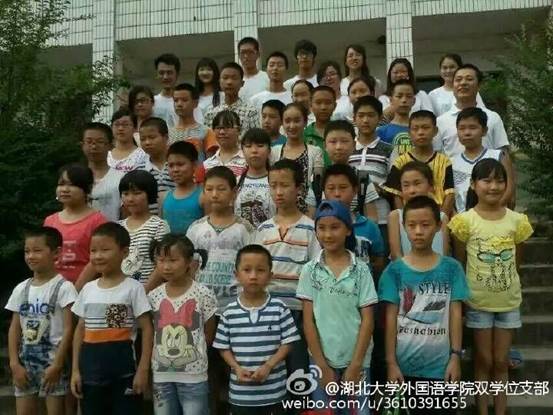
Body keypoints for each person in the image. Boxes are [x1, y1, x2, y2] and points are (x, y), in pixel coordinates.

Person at [449, 158, 533, 415]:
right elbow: (461, 262)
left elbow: (517, 261)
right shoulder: (464, 221)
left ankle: (500, 410)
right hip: (478, 302)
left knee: (501, 360)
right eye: (486, 180)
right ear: (473, 185)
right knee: (483, 360)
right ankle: (482, 410)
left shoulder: (517, 221)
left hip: (508, 301)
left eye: (500, 181)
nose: (493, 186)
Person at [379, 196, 469, 415]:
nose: (418, 231)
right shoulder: (394, 272)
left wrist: (455, 356)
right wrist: (391, 363)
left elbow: (455, 314)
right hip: (403, 370)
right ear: (404, 227)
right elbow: (390, 320)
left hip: (441, 369)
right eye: (412, 225)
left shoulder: (452, 269)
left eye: (425, 224)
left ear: (438, 226)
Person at [297, 200, 378, 413]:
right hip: (321, 360)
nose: (328, 234)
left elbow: (368, 320)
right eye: (322, 228)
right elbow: (308, 321)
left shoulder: (361, 270)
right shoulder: (309, 270)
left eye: (335, 227)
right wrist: (322, 365)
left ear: (348, 230)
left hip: (358, 360)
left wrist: (356, 364)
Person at [70, 222, 153, 414]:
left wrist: (143, 369)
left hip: (125, 375)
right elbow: (80, 329)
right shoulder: (88, 289)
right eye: (93, 251)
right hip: (90, 375)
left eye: (105, 250)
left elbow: (147, 328)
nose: (98, 256)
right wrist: (75, 370)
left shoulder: (133, 288)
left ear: (124, 252)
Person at [213, 245, 300, 414]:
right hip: (241, 395)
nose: (253, 276)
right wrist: (236, 368)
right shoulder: (229, 311)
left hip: (274, 393)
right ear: (236, 275)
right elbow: (223, 347)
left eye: (260, 270)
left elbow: (288, 342)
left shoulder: (279, 307)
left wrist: (269, 365)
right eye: (247, 270)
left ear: (270, 275)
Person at [7, 227, 77, 415]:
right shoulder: (21, 289)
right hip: (25, 364)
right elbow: (14, 328)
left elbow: (69, 329)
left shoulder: (64, 288)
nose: (31, 256)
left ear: (56, 253)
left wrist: (58, 364)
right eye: (27, 251)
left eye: (37, 250)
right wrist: (14, 364)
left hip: (53, 365)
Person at [148, 234, 217, 415]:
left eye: (173, 260)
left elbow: (209, 333)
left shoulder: (203, 293)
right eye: (161, 260)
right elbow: (152, 331)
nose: (166, 266)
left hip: (194, 376)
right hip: (161, 375)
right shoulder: (154, 296)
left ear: (188, 261)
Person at [186, 166, 255, 314]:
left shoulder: (245, 229)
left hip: (236, 305)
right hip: (202, 306)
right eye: (209, 189)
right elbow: (191, 266)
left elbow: (251, 266)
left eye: (221, 189)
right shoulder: (195, 228)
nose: (215, 194)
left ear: (234, 192)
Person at [383, 110, 455, 217]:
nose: (420, 132)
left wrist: (441, 217)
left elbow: (450, 194)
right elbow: (396, 194)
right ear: (409, 133)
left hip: (438, 213)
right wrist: (404, 218)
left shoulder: (444, 161)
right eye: (415, 129)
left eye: (425, 128)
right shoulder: (400, 162)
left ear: (435, 131)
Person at [44, 164, 107, 285]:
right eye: (61, 184)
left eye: (72, 185)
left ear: (87, 189)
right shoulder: (50, 221)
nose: (65, 189)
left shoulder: (98, 222)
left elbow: (97, 259)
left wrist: (76, 290)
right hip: (51, 288)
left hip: (84, 289)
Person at [306, 120, 379, 222]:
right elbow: (309, 219)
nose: (338, 147)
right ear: (324, 145)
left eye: (344, 141)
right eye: (333, 142)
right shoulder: (317, 179)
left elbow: (372, 219)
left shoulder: (362, 178)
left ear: (354, 145)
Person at [320, 164, 386, 274]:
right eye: (331, 188)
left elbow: (378, 262)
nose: (337, 194)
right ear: (324, 191)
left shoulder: (369, 227)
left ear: (355, 190)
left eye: (343, 188)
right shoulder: (319, 228)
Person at [434, 63, 509, 157]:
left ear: (479, 86)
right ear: (453, 86)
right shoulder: (440, 121)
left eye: (469, 79)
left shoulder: (493, 117)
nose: (463, 83)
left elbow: (503, 152)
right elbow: (436, 155)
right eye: (458, 80)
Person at [452, 107, 514, 213]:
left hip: (494, 216)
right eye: (462, 128)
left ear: (484, 131)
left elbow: (509, 188)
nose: (467, 132)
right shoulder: (451, 162)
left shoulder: (499, 156)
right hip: (462, 220)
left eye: (472, 127)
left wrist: (488, 213)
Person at [388, 162, 450, 260]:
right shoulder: (395, 216)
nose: (412, 190)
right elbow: (396, 255)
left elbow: (444, 253)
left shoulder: (442, 217)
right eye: (406, 185)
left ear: (431, 186)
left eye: (417, 184)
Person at [117, 170, 170, 286]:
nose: (130, 199)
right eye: (126, 194)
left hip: (149, 291)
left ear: (149, 194)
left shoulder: (159, 226)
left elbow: (161, 263)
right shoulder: (118, 227)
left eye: (137, 193)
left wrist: (143, 292)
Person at [350, 96, 393, 236]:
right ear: (354, 118)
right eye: (361, 116)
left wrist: (378, 189)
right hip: (350, 218)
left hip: (381, 217)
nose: (365, 120)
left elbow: (395, 186)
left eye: (371, 115)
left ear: (380, 118)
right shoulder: (347, 147)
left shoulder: (389, 149)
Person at [271, 103, 324, 213]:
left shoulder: (315, 152)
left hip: (308, 211)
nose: (292, 126)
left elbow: (317, 186)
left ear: (305, 122)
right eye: (287, 121)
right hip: (280, 210)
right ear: (282, 123)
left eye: (297, 121)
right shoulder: (274, 152)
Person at [81, 122, 124, 222]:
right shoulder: (75, 177)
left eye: (100, 142)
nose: (94, 146)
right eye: (89, 141)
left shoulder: (120, 178)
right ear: (82, 145)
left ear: (110, 145)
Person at [204, 62, 260, 136]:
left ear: (242, 83)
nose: (229, 82)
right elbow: (207, 140)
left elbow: (256, 139)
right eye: (225, 78)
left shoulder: (250, 112)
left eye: (234, 78)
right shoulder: (210, 112)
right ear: (219, 82)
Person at [235, 128, 276, 228]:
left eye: (260, 146)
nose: (254, 151)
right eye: (248, 146)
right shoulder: (235, 182)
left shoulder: (277, 182)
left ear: (269, 150)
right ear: (242, 150)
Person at [169, 83, 218, 163]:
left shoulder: (206, 132)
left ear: (195, 103)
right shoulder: (168, 133)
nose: (179, 104)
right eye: (176, 100)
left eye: (184, 100)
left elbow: (211, 163)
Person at [162, 141, 204, 235]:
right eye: (171, 165)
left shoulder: (203, 196)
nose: (175, 170)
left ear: (194, 165)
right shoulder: (164, 197)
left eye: (180, 164)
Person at [153, 53, 203, 127]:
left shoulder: (190, 102)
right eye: (161, 73)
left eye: (169, 73)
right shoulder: (152, 102)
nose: (165, 77)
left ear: (177, 74)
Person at [137, 117, 175, 210]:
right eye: (143, 139)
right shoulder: (139, 170)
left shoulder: (178, 166)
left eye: (152, 137)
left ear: (166, 137)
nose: (147, 142)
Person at [203, 110, 248, 178]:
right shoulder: (207, 165)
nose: (222, 132)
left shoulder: (248, 160)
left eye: (227, 127)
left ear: (239, 130)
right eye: (218, 128)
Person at [376, 80, 415, 157]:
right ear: (391, 100)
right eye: (399, 96)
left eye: (408, 96)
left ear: (414, 101)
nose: (404, 100)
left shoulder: (420, 130)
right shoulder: (381, 131)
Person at [303, 85, 336, 166]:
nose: (323, 107)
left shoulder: (342, 132)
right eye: (318, 103)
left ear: (335, 106)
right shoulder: (304, 134)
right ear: (311, 105)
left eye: (328, 103)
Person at [108, 108, 148, 172]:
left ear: (135, 128)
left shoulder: (142, 156)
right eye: (117, 124)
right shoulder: (105, 156)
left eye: (125, 124)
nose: (120, 128)